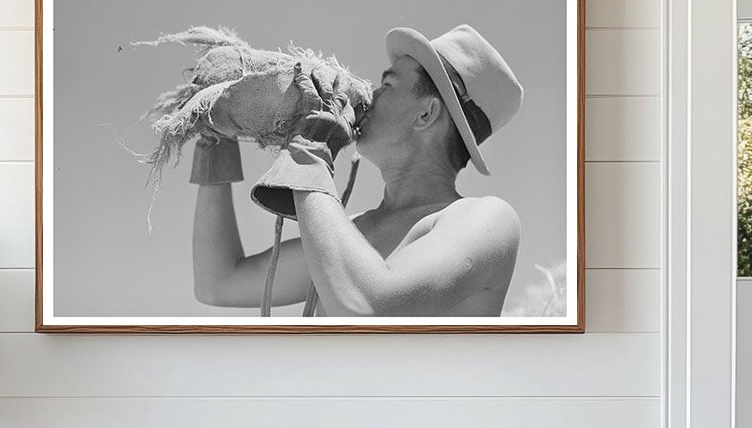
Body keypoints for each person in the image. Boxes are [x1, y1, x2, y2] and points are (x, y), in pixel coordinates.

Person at [190, 25, 524, 317]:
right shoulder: (352, 230)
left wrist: (310, 152)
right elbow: (218, 282)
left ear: (426, 114)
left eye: (387, 85)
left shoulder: (488, 218)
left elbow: (369, 307)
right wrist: (215, 137)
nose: (370, 95)